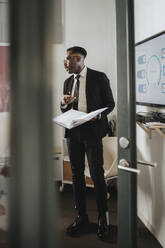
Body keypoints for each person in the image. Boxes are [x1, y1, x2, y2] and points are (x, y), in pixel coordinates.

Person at [60, 46, 115, 239]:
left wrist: (97, 116)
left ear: (79, 59)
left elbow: (110, 104)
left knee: (96, 174)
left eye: (68, 59)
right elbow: (64, 109)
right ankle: (82, 217)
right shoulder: (67, 81)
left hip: (92, 132)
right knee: (76, 175)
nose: (65, 62)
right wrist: (64, 103)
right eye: (65, 59)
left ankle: (103, 219)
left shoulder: (99, 77)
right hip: (73, 133)